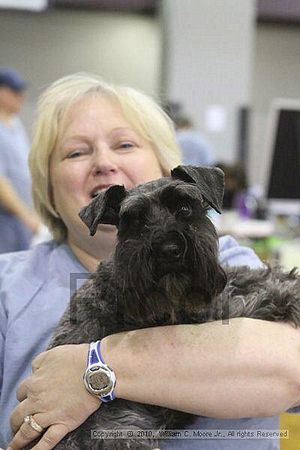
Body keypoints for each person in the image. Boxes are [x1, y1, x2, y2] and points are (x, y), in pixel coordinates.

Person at [1, 73, 300, 450]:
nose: (104, 162)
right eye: (76, 152)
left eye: (124, 144)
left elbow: (291, 368)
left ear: (163, 161)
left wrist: (94, 369)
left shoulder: (230, 263)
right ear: (46, 187)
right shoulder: (7, 286)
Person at [0, 68, 41, 253]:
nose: (22, 96)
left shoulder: (14, 124)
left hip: (20, 219)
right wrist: (26, 216)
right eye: (15, 92)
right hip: (6, 220)